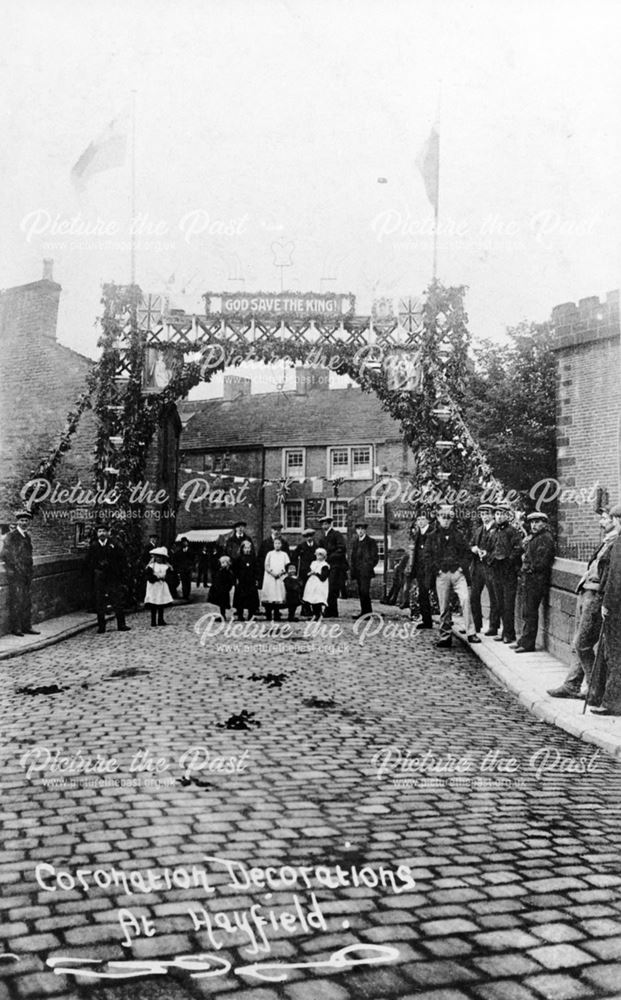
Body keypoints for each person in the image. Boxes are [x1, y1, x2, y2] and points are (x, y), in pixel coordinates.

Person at [549, 508, 619, 699]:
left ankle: (594, 687)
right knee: (578, 642)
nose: (601, 522)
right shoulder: (608, 541)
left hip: (596, 596)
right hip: (586, 592)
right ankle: (572, 684)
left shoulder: (615, 543)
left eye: (606, 519)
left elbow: (611, 577)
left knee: (582, 643)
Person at [424, 505, 481, 648]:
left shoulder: (458, 535)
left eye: (449, 517)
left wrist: (462, 567)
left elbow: (467, 553)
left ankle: (471, 633)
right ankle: (445, 636)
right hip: (441, 574)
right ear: (438, 518)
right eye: (443, 517)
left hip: (458, 574)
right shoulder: (432, 536)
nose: (446, 520)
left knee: (466, 600)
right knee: (444, 607)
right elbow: (427, 556)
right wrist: (436, 569)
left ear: (452, 519)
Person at [590, 504, 621, 716]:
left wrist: (607, 604)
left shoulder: (619, 543)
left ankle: (613, 702)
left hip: (617, 608)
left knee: (614, 655)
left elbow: (615, 579)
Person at [513, 512, 556, 652]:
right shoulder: (535, 538)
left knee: (531, 612)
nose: (534, 525)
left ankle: (528, 644)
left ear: (544, 523)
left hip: (537, 580)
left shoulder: (546, 538)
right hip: (529, 579)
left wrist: (529, 567)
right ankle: (524, 640)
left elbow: (542, 561)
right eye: (532, 523)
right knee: (526, 611)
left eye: (537, 522)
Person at [488, 503, 524, 644]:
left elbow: (518, 548)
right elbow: (488, 548)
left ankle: (509, 634)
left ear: (507, 516)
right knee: (500, 603)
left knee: (508, 604)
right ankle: (504, 631)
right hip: (496, 570)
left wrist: (508, 561)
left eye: (502, 514)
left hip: (508, 572)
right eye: (497, 514)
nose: (499, 516)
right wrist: (491, 559)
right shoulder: (493, 531)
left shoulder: (512, 531)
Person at [85, 524, 130, 634]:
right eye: (99, 531)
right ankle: (101, 626)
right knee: (100, 601)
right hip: (99, 577)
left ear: (108, 533)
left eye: (104, 531)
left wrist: (118, 572)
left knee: (117, 599)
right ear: (97, 533)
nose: (102, 533)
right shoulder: (93, 546)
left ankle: (121, 624)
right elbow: (88, 562)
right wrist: (96, 571)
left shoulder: (114, 545)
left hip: (113, 576)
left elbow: (122, 559)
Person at [2, 510, 39, 637]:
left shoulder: (27, 536)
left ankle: (26, 626)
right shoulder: (11, 536)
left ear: (29, 522)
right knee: (17, 600)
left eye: (26, 521)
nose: (24, 523)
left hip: (27, 574)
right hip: (16, 573)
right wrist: (17, 568)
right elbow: (6, 554)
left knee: (27, 601)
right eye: (22, 520)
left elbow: (29, 556)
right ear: (17, 521)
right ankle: (16, 628)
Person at [470, 503, 499, 636]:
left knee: (494, 597)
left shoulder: (497, 529)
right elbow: (470, 544)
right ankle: (476, 625)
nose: (484, 517)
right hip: (478, 568)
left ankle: (493, 626)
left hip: (491, 567)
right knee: (474, 596)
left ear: (492, 514)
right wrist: (474, 549)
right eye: (482, 514)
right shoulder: (478, 530)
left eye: (487, 514)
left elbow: (499, 549)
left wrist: (487, 553)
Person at [406, 510, 435, 628]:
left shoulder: (433, 532)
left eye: (423, 519)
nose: (420, 521)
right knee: (422, 595)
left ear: (428, 520)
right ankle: (427, 621)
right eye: (418, 519)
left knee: (437, 594)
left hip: (431, 569)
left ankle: (445, 621)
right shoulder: (418, 533)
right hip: (420, 570)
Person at [316, 515, 347, 617]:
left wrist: (329, 557)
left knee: (333, 588)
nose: (324, 525)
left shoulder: (336, 534)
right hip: (326, 565)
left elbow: (341, 549)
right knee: (327, 587)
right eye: (322, 524)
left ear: (329, 524)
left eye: (326, 523)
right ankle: (330, 610)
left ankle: (332, 611)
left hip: (335, 565)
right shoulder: (322, 536)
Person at [350, 522, 379, 618]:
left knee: (365, 591)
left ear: (365, 530)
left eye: (362, 529)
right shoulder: (355, 542)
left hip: (366, 572)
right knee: (361, 592)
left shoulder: (371, 541)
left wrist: (368, 566)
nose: (360, 531)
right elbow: (353, 557)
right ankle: (364, 612)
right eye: (358, 529)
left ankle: (368, 613)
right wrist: (353, 570)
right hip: (358, 572)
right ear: (356, 531)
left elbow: (375, 557)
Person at [144, 546, 175, 627]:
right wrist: (156, 578)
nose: (158, 559)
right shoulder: (151, 566)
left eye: (160, 557)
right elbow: (148, 576)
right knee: (153, 603)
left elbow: (170, 576)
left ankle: (160, 619)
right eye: (157, 557)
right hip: (153, 586)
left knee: (161, 602)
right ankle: (153, 621)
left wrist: (165, 578)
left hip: (161, 586)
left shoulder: (166, 567)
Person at [260, 536, 289, 621]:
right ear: (273, 544)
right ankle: (268, 614)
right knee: (270, 593)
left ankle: (277, 613)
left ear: (281, 545)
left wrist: (280, 573)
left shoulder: (284, 554)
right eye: (275, 543)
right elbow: (266, 565)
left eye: (279, 543)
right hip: (270, 577)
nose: (277, 545)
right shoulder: (270, 553)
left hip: (280, 577)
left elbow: (287, 565)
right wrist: (272, 573)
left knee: (278, 594)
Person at [292, 528, 317, 617]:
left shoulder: (316, 546)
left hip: (314, 571)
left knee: (313, 590)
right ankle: (305, 609)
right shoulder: (301, 546)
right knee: (304, 590)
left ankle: (315, 609)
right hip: (304, 572)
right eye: (307, 536)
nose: (309, 538)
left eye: (310, 536)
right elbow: (294, 557)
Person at [233, 540, 260, 621]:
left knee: (251, 599)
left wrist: (257, 579)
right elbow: (235, 570)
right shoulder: (238, 558)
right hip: (241, 581)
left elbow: (257, 569)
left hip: (251, 581)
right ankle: (240, 615)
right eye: (245, 548)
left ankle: (251, 615)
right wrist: (236, 578)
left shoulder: (253, 558)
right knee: (240, 598)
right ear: (242, 549)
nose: (247, 550)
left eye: (249, 548)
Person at [302, 547, 330, 620]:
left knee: (317, 599)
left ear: (324, 556)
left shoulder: (325, 565)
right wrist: (310, 573)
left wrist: (316, 573)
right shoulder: (313, 563)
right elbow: (309, 571)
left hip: (320, 584)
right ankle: (314, 613)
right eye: (317, 555)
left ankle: (318, 614)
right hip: (312, 583)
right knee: (312, 598)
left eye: (321, 555)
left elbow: (323, 577)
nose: (319, 557)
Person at [208, 555, 236, 620]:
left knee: (222, 604)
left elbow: (229, 582)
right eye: (222, 563)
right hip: (219, 589)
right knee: (221, 604)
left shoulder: (227, 572)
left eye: (224, 563)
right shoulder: (221, 570)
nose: (222, 564)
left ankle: (223, 616)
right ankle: (222, 615)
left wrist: (226, 588)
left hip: (223, 590)